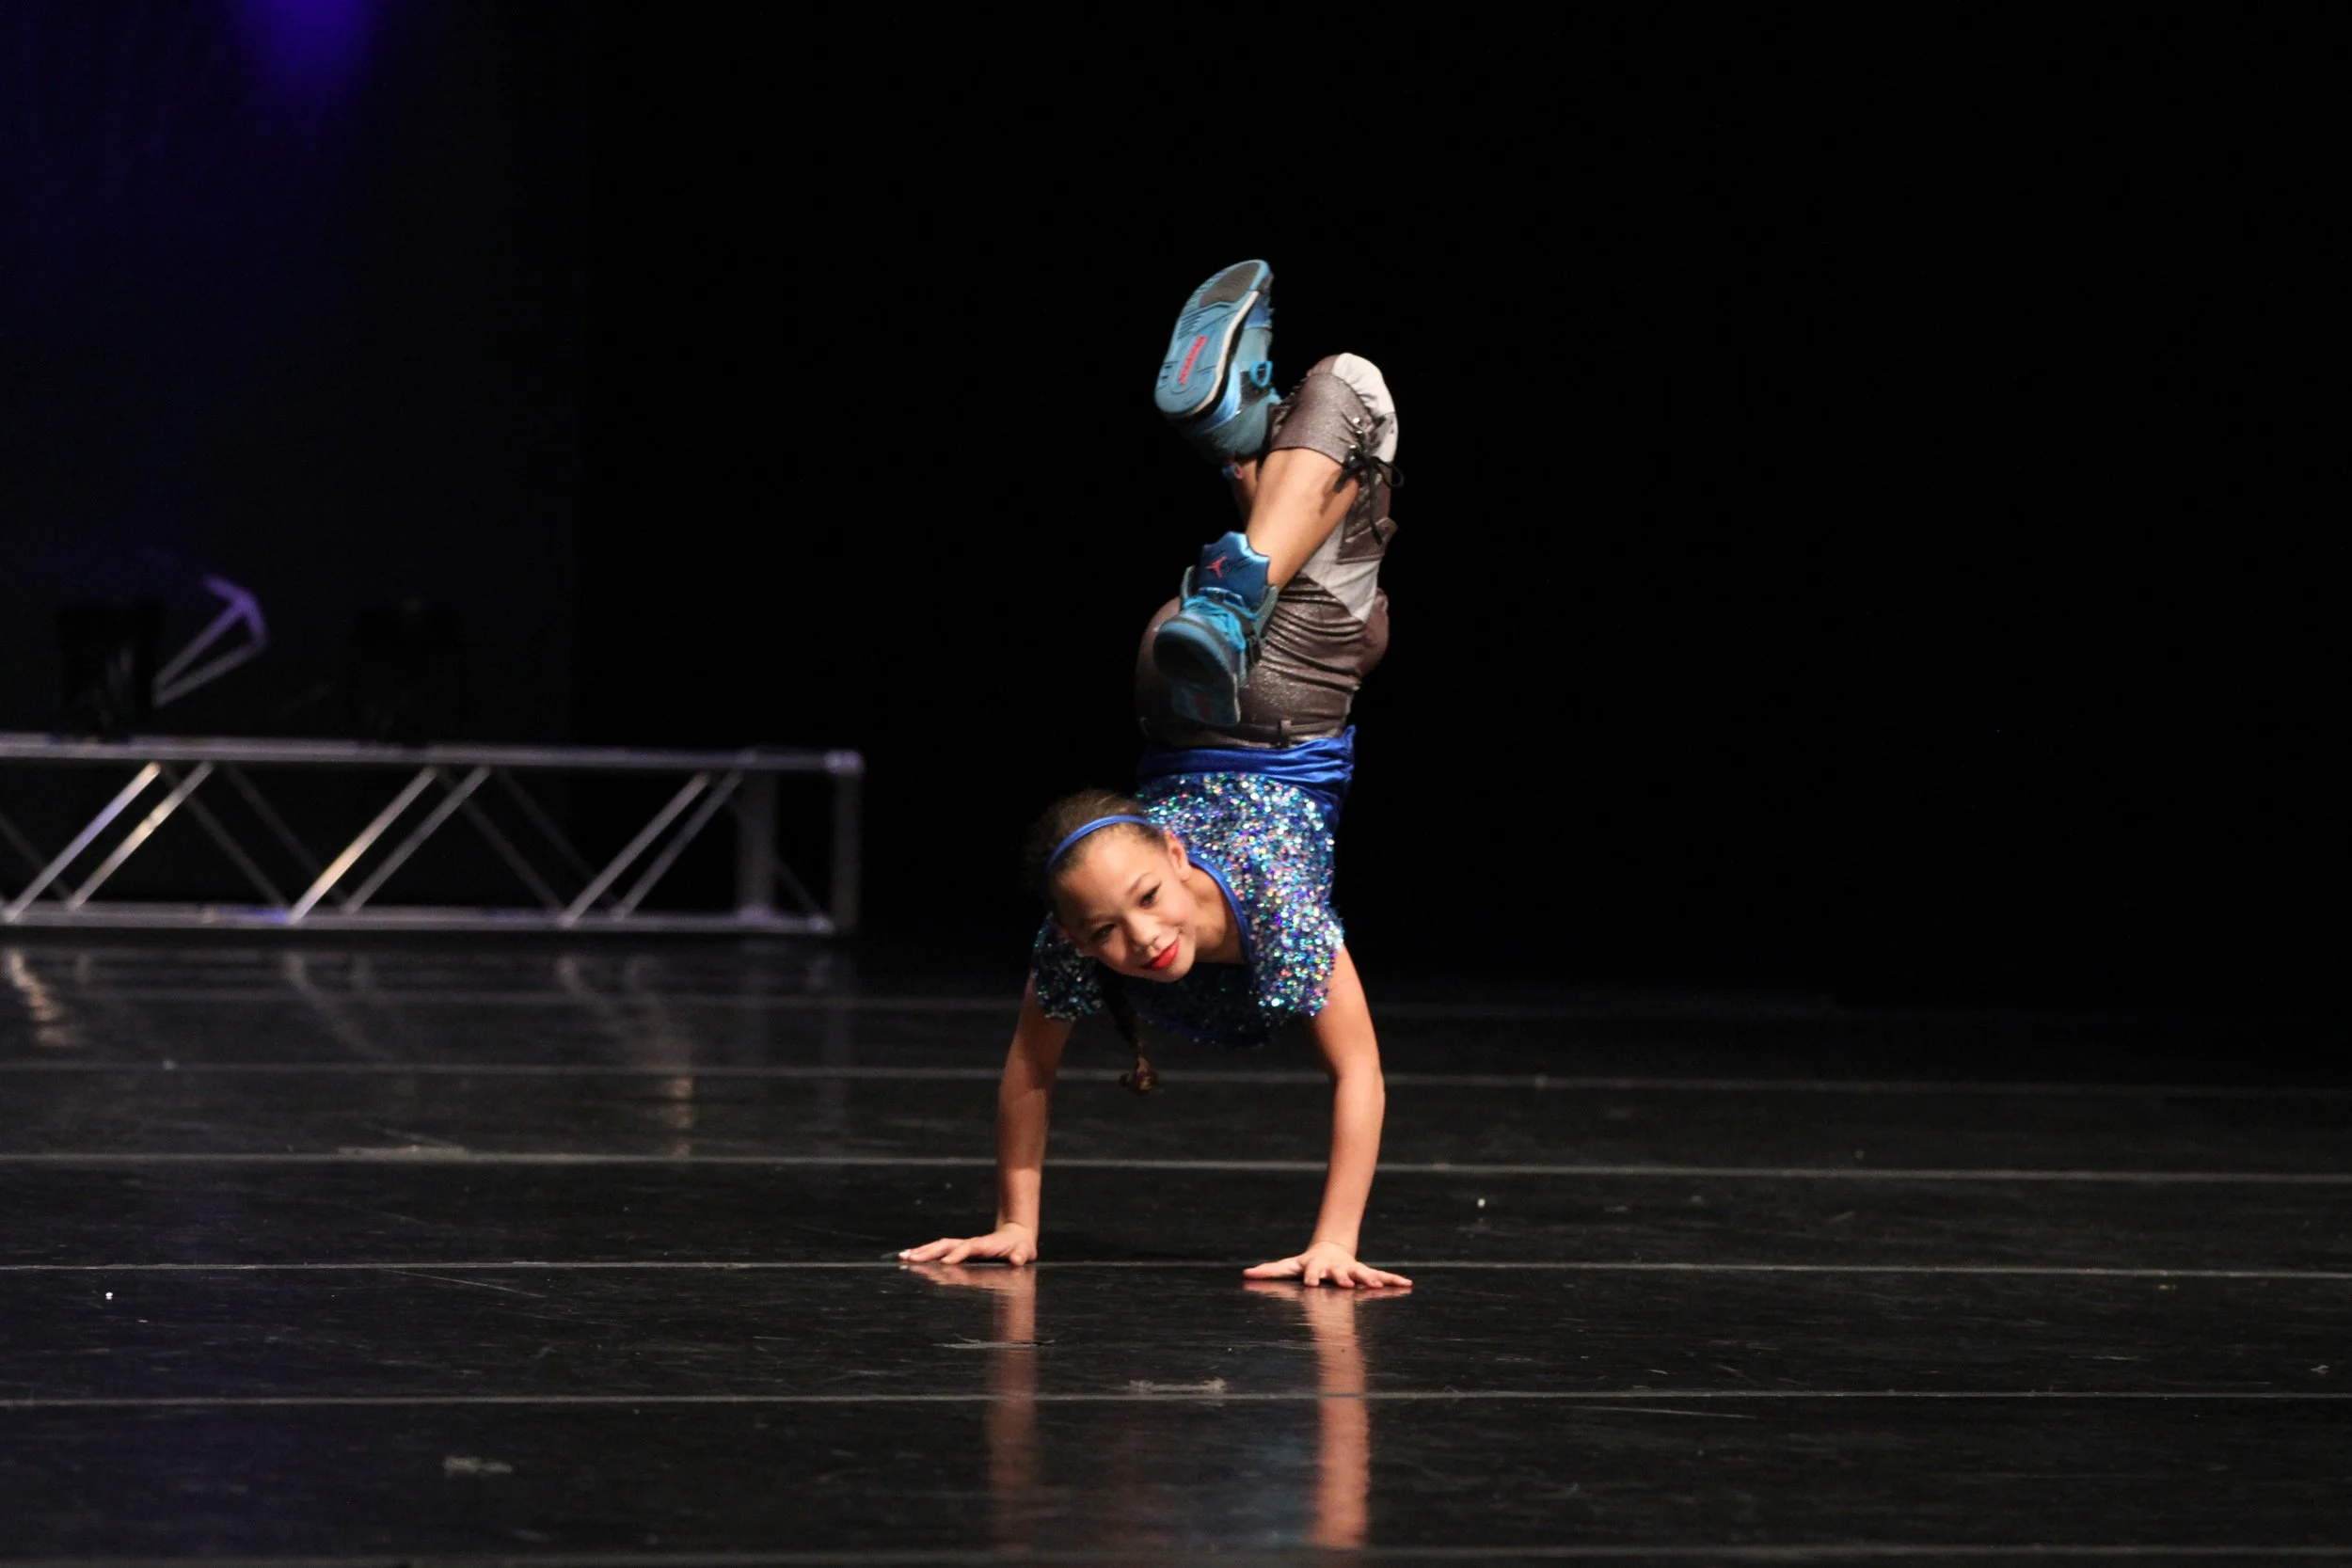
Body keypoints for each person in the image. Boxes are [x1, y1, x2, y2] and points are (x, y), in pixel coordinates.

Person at [899, 261, 1412, 1290]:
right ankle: (1244, 449)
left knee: (1357, 386)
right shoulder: (1085, 926)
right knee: (1324, 498)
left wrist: (1337, 1240)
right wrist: (1012, 1223)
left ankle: (1233, 579)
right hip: (1169, 691)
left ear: (1172, 850)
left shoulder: (1271, 906)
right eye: (1102, 934)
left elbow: (1358, 1068)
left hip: (1280, 707)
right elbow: (1027, 1066)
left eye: (1139, 902)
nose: (1137, 940)